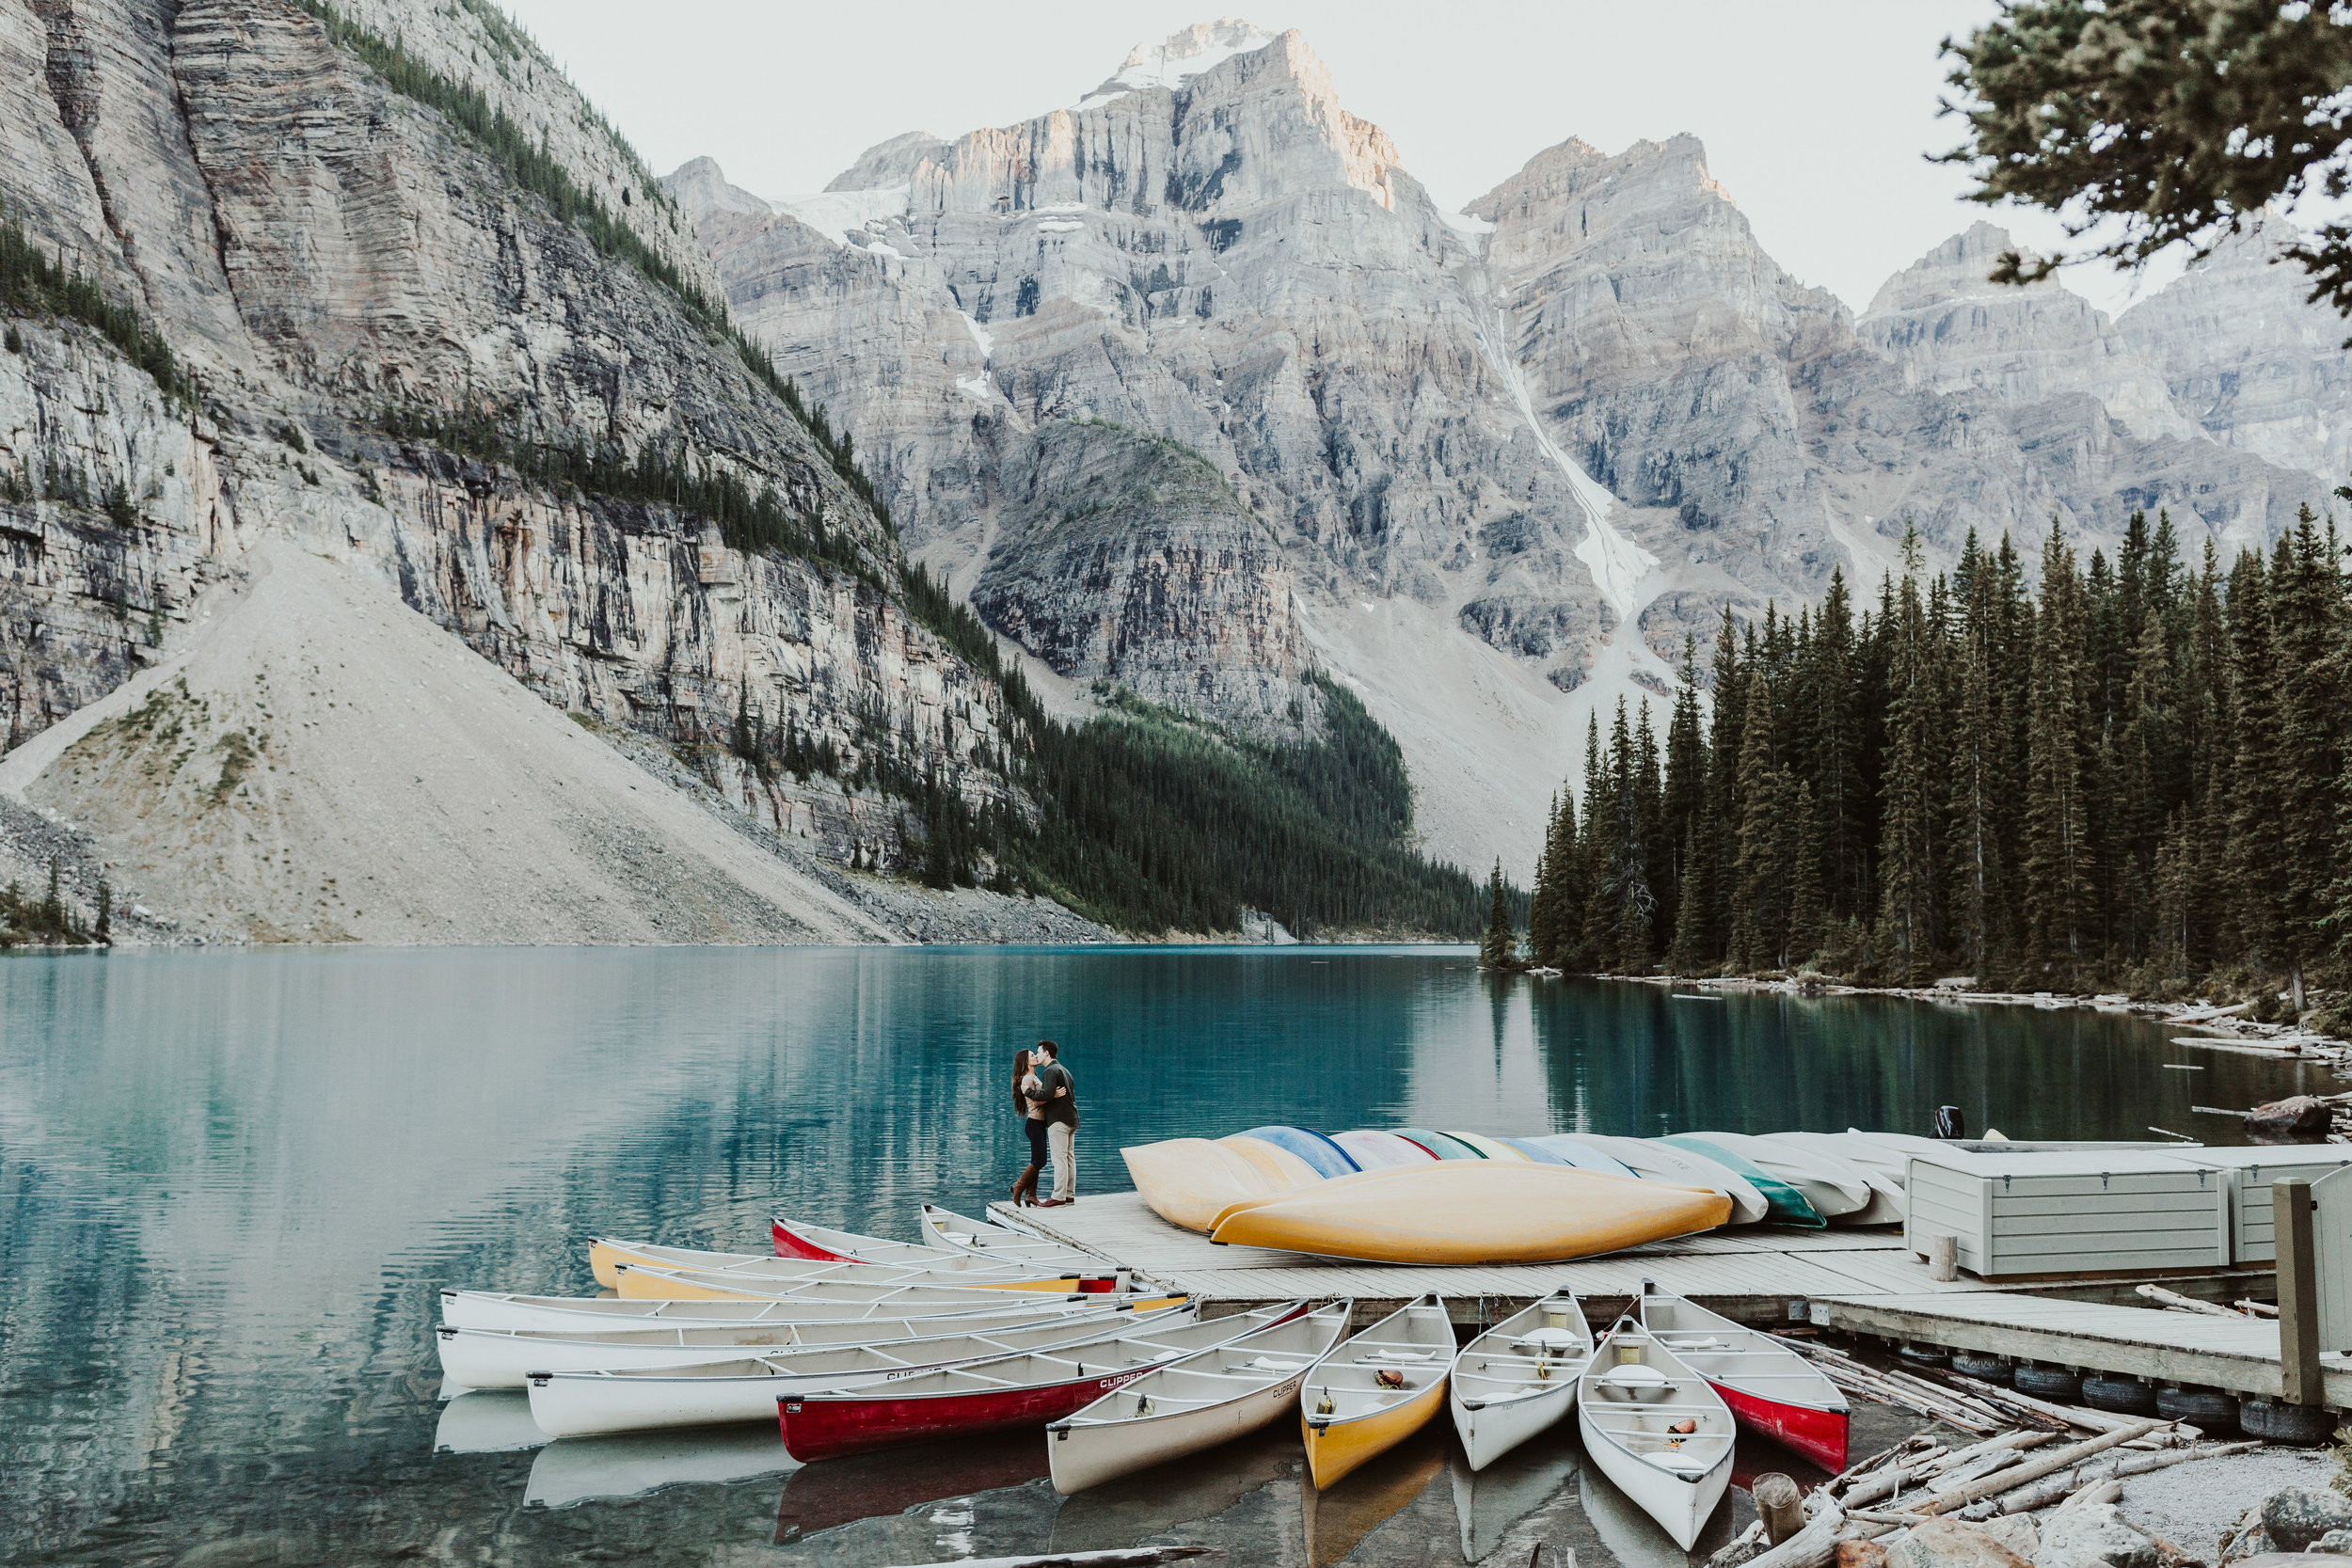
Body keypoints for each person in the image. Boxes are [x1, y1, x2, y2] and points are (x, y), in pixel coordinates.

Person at [1029, 1039, 1079, 1207]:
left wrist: (1028, 1092)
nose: (1037, 1055)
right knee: (1069, 1158)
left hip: (1058, 1120)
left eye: (1039, 1052)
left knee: (1059, 1160)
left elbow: (1046, 1094)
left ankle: (1058, 1196)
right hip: (1071, 1118)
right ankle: (1069, 1195)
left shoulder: (1050, 1071)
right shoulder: (1064, 1070)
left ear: (1047, 1053)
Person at [1010, 1047, 1048, 1207]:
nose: (1036, 1056)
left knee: (1036, 1160)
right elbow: (1037, 1101)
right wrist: (1054, 1096)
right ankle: (1018, 1187)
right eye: (1033, 1055)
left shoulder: (1033, 1076)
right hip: (1034, 1123)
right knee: (1041, 1160)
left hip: (1038, 1124)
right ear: (1026, 1062)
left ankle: (1031, 1195)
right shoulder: (1027, 1079)